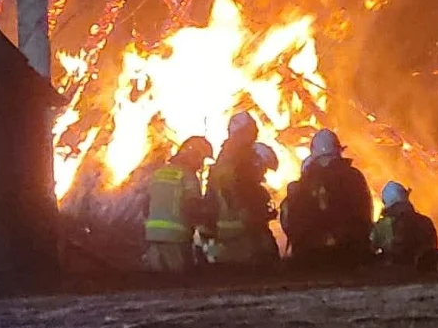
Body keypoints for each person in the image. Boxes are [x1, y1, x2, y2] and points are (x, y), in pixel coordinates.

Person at [282, 128, 373, 267]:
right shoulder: (354, 177)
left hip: (310, 256)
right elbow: (365, 213)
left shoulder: (304, 182)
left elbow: (292, 221)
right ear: (338, 150)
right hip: (351, 253)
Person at [205, 112, 278, 266]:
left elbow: (211, 197)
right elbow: (248, 192)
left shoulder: (223, 159)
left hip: (224, 231)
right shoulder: (243, 159)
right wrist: (262, 209)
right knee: (265, 259)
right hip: (245, 230)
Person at [143, 136, 212, 273]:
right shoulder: (188, 177)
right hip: (176, 239)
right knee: (179, 284)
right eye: (201, 158)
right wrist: (205, 229)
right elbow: (192, 207)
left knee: (157, 285)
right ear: (193, 155)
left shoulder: (158, 173)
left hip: (153, 237)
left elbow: (146, 206)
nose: (201, 164)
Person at [371, 181, 438, 266]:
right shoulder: (425, 222)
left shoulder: (382, 226)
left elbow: (370, 250)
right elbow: (433, 248)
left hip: (392, 275)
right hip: (422, 275)